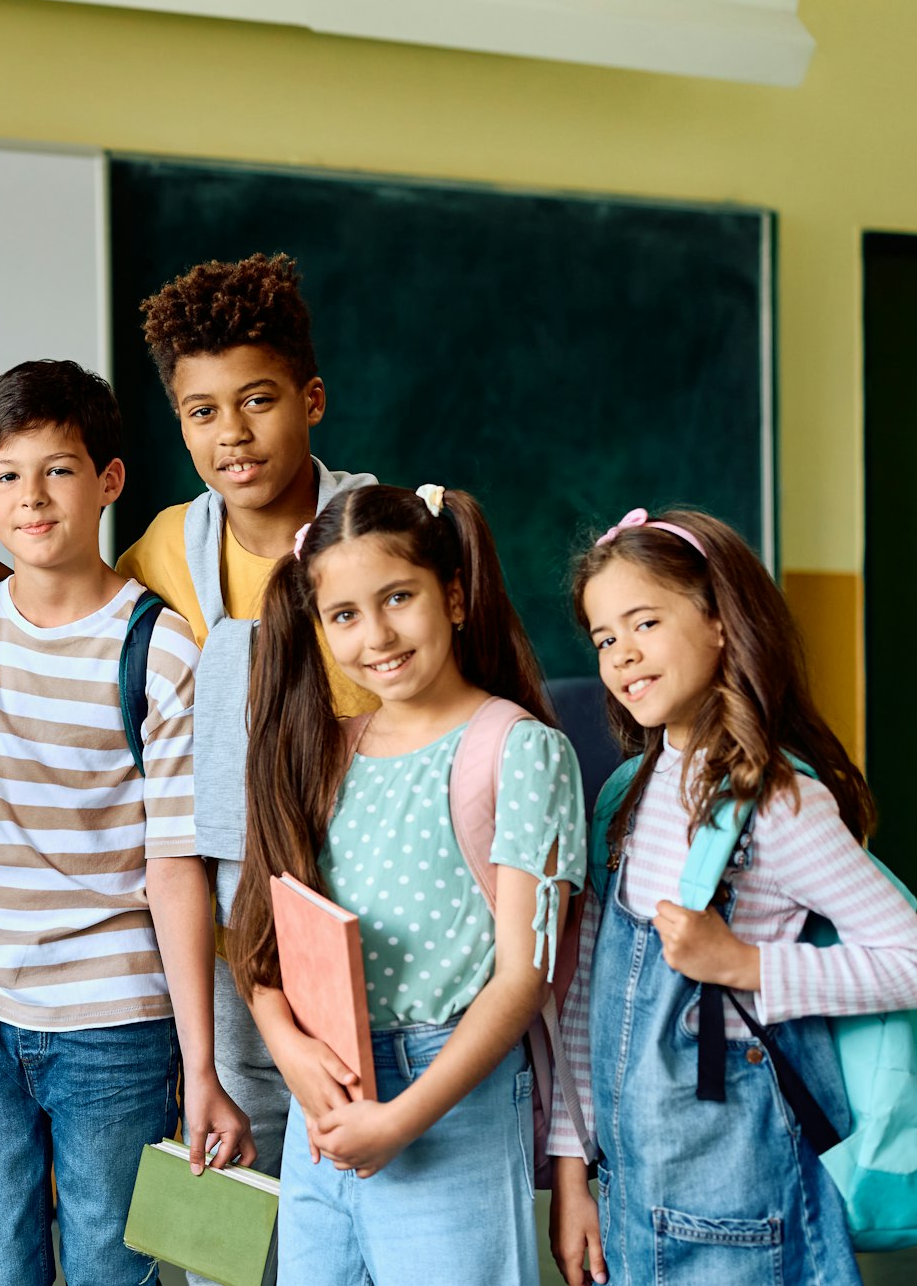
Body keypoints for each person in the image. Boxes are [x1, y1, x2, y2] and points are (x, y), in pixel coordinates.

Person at [0, 256, 376, 1273]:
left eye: (254, 401)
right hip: (226, 922)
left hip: (355, 906)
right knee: (219, 1211)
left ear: (307, 400)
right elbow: (58, 584)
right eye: (200, 410)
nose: (230, 433)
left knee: (354, 1184)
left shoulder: (378, 535)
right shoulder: (172, 546)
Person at [548, 508, 917, 1286]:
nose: (622, 652)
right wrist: (573, 1170)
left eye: (646, 621)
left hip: (744, 1211)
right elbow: (585, 998)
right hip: (632, 1190)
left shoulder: (778, 801)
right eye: (603, 637)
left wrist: (742, 962)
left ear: (721, 622)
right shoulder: (626, 794)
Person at [228, 482, 583, 1286]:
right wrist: (291, 1053)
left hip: (446, 1098)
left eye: (399, 598)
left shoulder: (518, 750)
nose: (376, 635)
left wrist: (398, 1120)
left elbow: (523, 978)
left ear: (453, 596)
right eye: (345, 614)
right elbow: (261, 941)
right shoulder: (327, 751)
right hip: (322, 1101)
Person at [0, 360, 230, 1284]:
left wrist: (200, 1060)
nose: (32, 497)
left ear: (109, 480)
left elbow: (176, 865)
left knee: (111, 1270)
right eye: (8, 474)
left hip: (115, 1020)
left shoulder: (163, 647)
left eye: (58, 469)